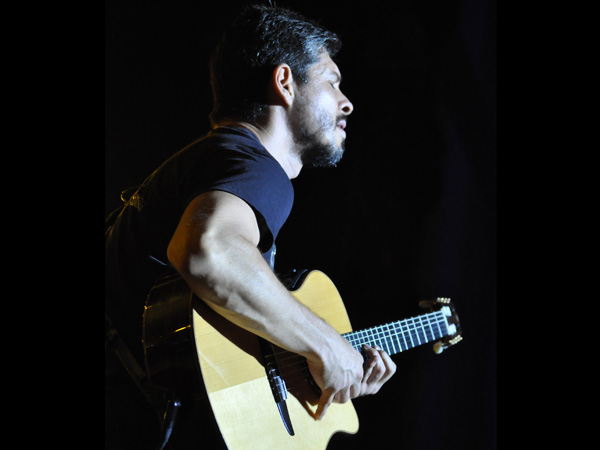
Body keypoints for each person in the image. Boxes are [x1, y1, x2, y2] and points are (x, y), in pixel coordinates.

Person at [105, 4, 396, 448]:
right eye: (333, 82)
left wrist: (322, 367)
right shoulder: (258, 169)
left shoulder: (215, 159)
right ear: (285, 83)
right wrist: (326, 345)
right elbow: (208, 253)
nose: (347, 102)